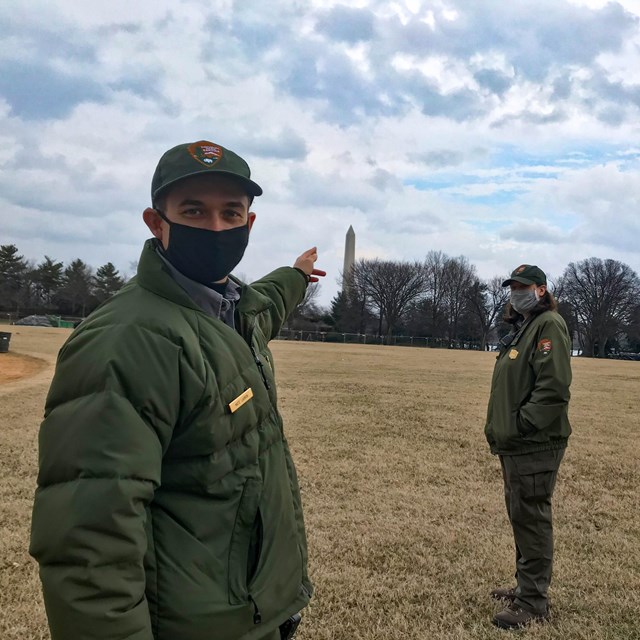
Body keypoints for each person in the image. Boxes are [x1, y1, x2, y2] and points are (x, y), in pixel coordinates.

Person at [30, 140, 325, 640]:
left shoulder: (233, 308)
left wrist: (297, 275)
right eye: (193, 210)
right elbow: (89, 541)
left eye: (231, 212)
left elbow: (269, 300)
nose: (215, 228)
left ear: (249, 224)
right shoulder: (125, 341)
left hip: (249, 609)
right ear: (155, 222)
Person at [484, 264, 572, 630]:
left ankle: (533, 602)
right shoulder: (524, 327)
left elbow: (553, 388)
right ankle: (525, 586)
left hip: (532, 443)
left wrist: (522, 425)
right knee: (522, 515)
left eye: (524, 286)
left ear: (541, 289)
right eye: (513, 286)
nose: (516, 292)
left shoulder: (548, 325)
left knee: (532, 518)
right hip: (517, 444)